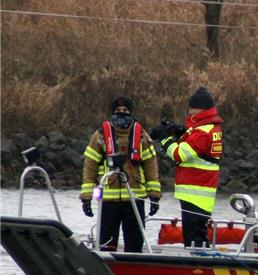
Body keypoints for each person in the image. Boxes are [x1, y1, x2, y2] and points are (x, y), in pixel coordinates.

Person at [81, 96, 161, 252]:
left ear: (131, 113)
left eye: (125, 111)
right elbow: (89, 166)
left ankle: (134, 270)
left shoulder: (141, 136)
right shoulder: (100, 136)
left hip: (134, 198)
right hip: (108, 199)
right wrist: (86, 197)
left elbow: (151, 166)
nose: (122, 114)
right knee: (107, 243)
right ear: (112, 113)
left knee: (135, 242)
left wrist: (154, 196)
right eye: (118, 111)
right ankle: (107, 270)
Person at [150, 86, 224, 248]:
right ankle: (199, 263)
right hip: (201, 191)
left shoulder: (203, 131)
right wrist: (179, 132)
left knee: (194, 238)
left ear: (200, 109)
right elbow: (195, 146)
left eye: (192, 109)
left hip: (196, 191)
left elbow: (179, 154)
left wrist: (164, 138)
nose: (189, 112)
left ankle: (198, 267)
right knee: (197, 235)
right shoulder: (209, 127)